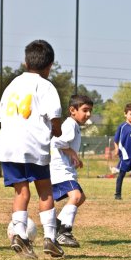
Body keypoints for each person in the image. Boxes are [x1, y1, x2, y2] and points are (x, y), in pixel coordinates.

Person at [0, 39, 64, 259]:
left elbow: (1, 117)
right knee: (44, 190)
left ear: (26, 62)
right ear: (49, 66)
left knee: (21, 191)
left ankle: (19, 234)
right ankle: (50, 240)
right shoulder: (46, 86)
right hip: (33, 145)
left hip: (8, 145)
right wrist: (57, 130)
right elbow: (54, 117)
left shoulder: (11, 85)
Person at [50, 95, 93, 248]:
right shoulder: (70, 124)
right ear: (72, 110)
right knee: (76, 196)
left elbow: (65, 145)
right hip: (60, 170)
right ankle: (64, 232)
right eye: (85, 110)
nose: (88, 114)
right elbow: (56, 142)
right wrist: (72, 153)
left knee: (81, 198)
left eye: (90, 111)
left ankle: (57, 225)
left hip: (65, 170)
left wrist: (74, 156)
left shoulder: (73, 125)